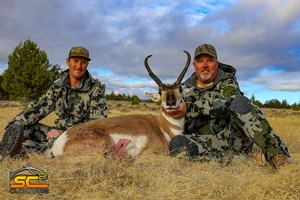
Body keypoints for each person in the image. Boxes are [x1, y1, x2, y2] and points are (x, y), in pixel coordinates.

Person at [170, 44, 292, 169]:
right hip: (202, 142)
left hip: (232, 138)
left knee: (241, 103)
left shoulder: (228, 81)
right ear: (194, 65)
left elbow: (227, 103)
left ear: (217, 64)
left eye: (210, 61)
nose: (205, 65)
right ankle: (249, 160)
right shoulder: (184, 90)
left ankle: (277, 155)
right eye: (200, 61)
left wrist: (190, 109)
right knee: (177, 144)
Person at [0, 46, 108, 157]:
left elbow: (97, 127)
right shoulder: (57, 87)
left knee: (54, 146)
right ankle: (5, 143)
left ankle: (20, 151)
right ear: (68, 62)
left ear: (87, 65)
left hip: (78, 137)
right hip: (57, 132)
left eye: (83, 62)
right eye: (75, 61)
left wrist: (65, 132)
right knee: (26, 128)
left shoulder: (95, 92)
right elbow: (36, 109)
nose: (79, 66)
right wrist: (10, 128)